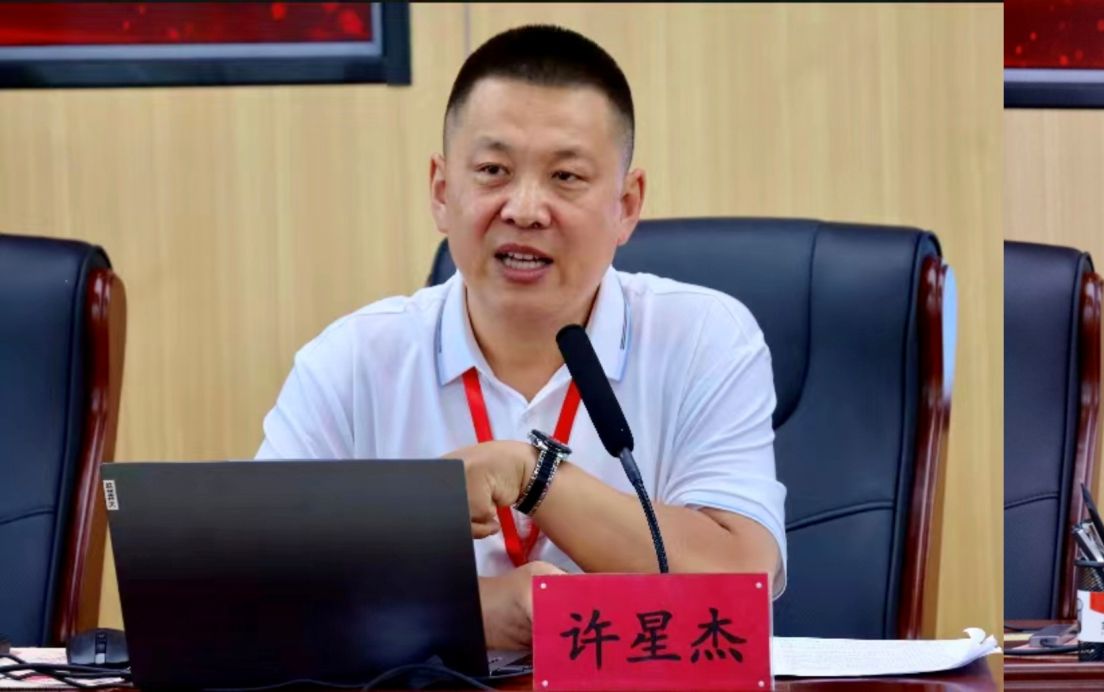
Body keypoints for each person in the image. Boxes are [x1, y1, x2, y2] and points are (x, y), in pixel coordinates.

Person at [255, 25, 786, 650]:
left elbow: (741, 583)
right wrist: (476, 613)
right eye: (493, 171)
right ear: (441, 191)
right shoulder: (351, 361)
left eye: (566, 177)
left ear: (626, 204)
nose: (526, 209)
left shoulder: (703, 340)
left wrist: (533, 475)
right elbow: (262, 593)